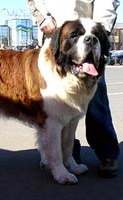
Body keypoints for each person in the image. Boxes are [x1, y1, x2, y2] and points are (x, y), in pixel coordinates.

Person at [28, 0, 120, 178]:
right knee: (54, 111)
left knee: (96, 103)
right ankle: (62, 157)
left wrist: (101, 30)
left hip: (89, 28)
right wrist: (42, 18)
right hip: (55, 42)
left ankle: (106, 152)